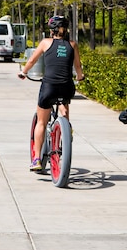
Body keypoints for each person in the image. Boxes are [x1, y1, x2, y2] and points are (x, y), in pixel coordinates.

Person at [18, 16, 84, 171]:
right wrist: (80, 76)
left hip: (49, 86)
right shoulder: (72, 45)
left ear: (51, 30)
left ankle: (36, 160)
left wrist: (24, 72)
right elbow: (78, 66)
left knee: (41, 121)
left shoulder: (45, 43)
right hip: (66, 86)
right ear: (66, 29)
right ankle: (66, 131)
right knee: (64, 105)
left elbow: (32, 61)